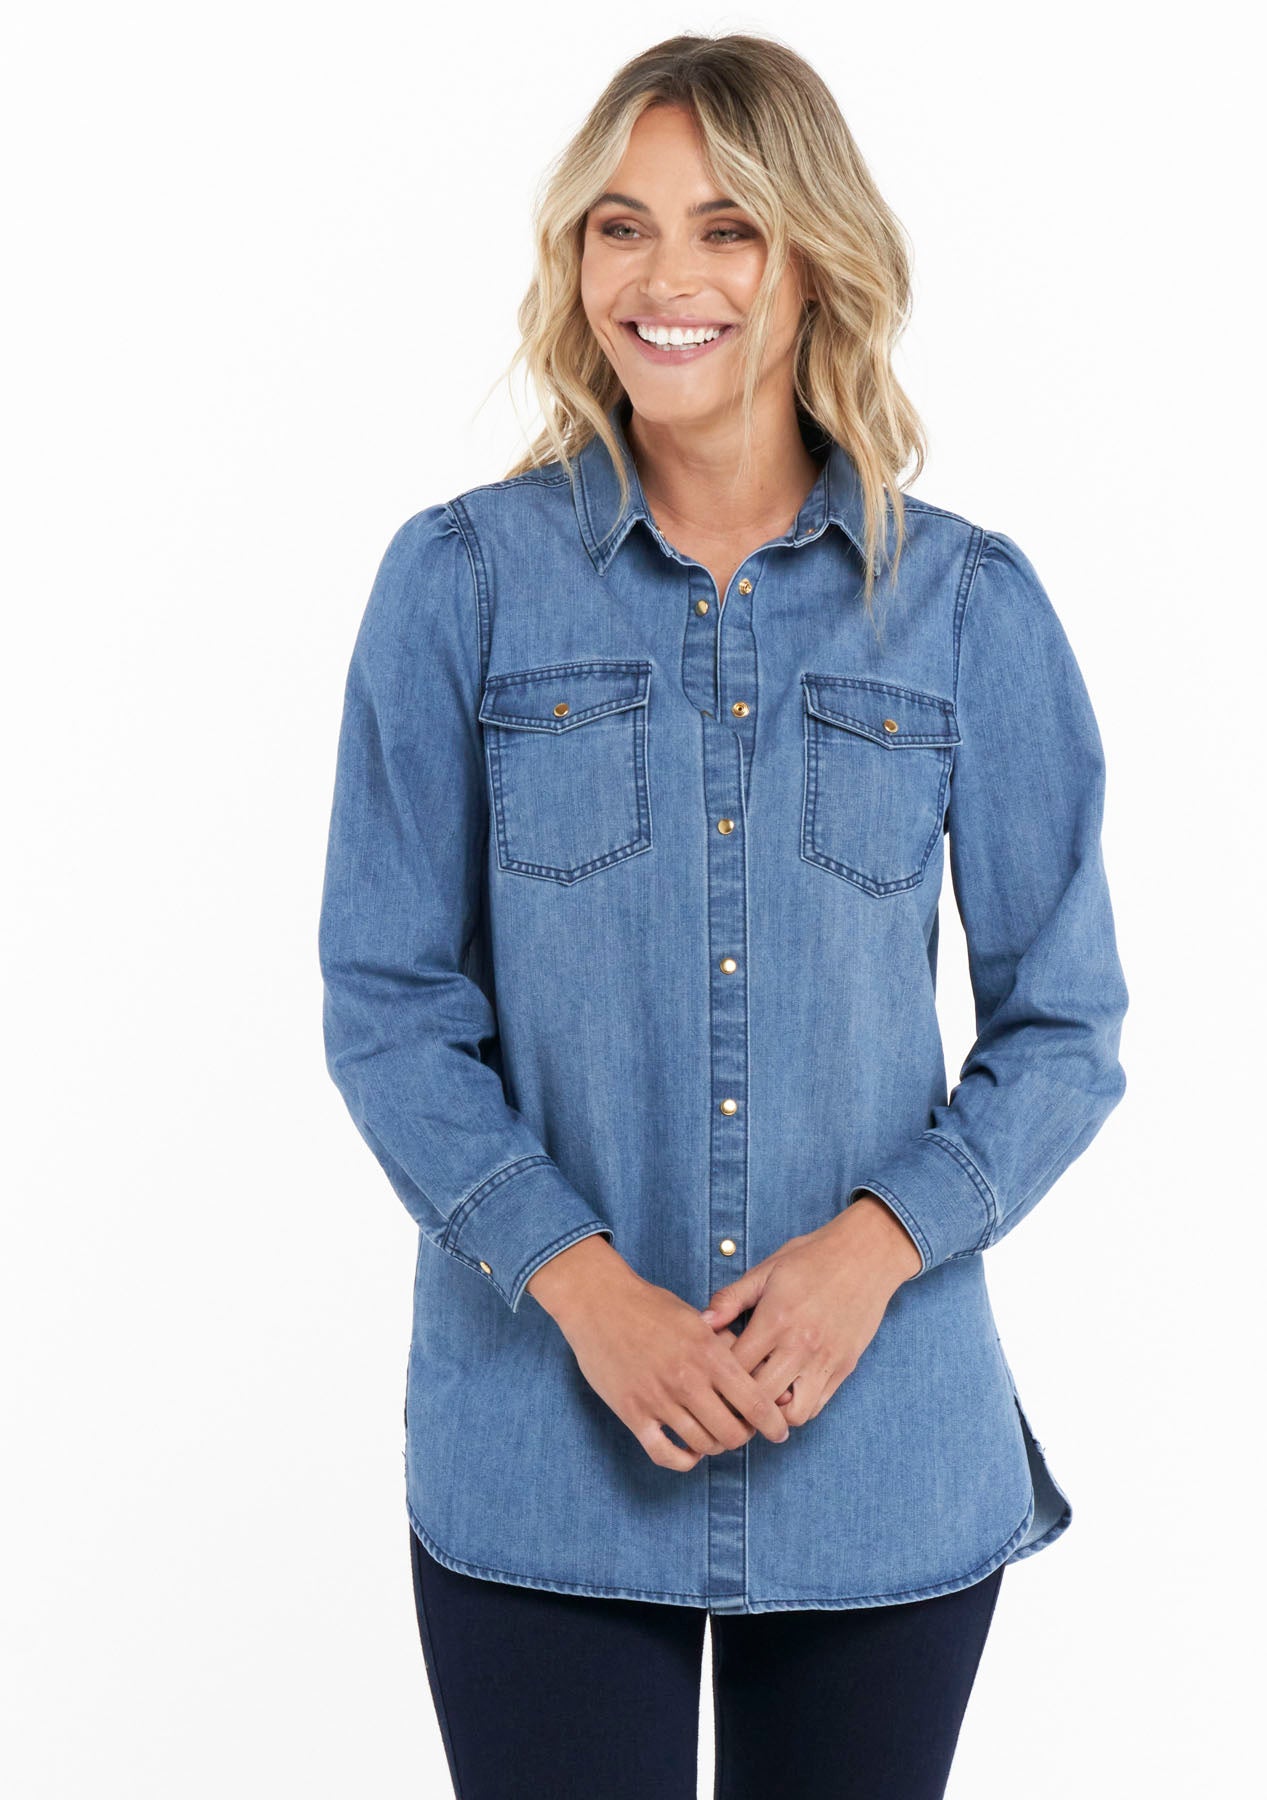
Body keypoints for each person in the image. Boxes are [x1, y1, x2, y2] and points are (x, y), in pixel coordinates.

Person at [318, 31, 1127, 1800]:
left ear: (816, 260)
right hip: (543, 1444)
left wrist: (875, 1250)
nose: (662, 278)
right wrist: (580, 1284)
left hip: (882, 1451)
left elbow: (1066, 1025)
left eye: (726, 228)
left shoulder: (969, 609)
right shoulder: (459, 584)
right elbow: (386, 1003)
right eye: (619, 227)